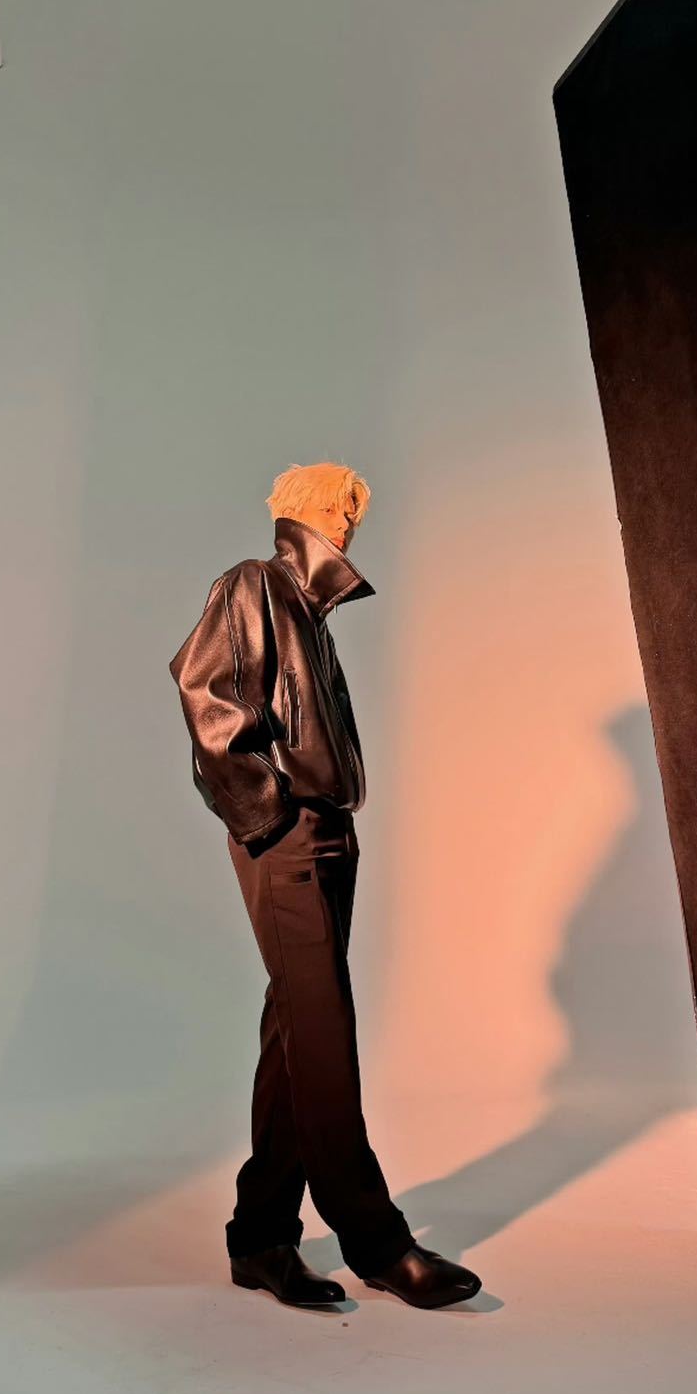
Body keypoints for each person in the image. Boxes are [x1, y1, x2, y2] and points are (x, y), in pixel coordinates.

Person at [169, 461, 482, 1310]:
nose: (350, 522)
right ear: (303, 512)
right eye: (341, 507)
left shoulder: (309, 608)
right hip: (290, 836)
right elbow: (205, 694)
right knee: (325, 1034)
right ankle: (377, 1240)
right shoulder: (255, 584)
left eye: (354, 510)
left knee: (297, 1032)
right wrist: (269, 813)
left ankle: (260, 1236)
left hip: (329, 833)